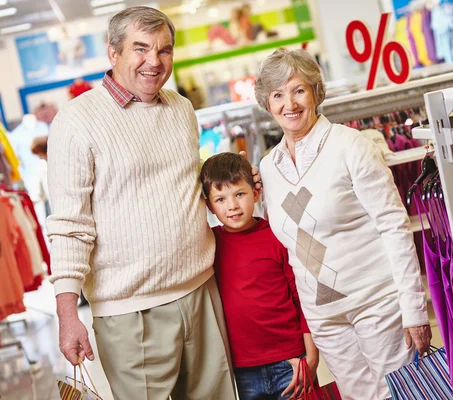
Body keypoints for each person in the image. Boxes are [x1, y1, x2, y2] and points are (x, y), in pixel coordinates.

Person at [46, 7, 259, 399]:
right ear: (113, 53)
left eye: (164, 50)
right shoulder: (76, 122)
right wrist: (66, 314)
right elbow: (70, 224)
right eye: (140, 49)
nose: (154, 62)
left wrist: (234, 181)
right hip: (130, 311)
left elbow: (181, 181)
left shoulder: (180, 109)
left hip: (202, 292)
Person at [255, 48, 432, 400]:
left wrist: (414, 308)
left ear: (316, 93)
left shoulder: (350, 145)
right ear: (267, 103)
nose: (289, 103)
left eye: (298, 90)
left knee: (402, 395)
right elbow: (286, 246)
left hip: (376, 302)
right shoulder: (268, 168)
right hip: (324, 317)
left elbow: (393, 225)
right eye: (277, 95)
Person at [201, 152, 319, 400]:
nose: (232, 205)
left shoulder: (276, 235)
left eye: (240, 194)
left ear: (255, 193)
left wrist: (310, 356)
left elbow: (302, 297)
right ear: (209, 205)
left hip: (291, 361)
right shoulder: (209, 244)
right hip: (243, 370)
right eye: (220, 199)